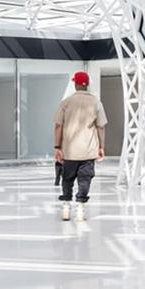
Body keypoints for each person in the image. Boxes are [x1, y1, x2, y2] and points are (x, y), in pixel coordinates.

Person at [53, 70, 107, 222]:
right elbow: (101, 126)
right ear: (87, 84)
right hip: (88, 151)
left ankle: (66, 207)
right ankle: (81, 210)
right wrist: (101, 146)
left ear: (75, 84)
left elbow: (58, 126)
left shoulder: (66, 102)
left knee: (67, 179)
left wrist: (57, 147)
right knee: (85, 180)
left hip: (69, 150)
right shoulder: (96, 102)